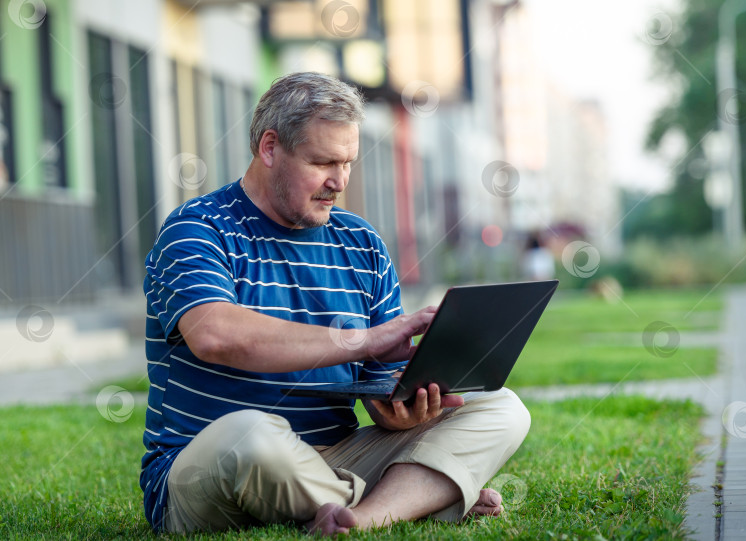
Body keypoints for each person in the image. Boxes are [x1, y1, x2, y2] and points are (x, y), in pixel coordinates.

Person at [140, 72, 530, 536]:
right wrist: (363, 340)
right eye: (323, 162)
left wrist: (399, 404)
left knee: (502, 408)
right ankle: (415, 499)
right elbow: (215, 335)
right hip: (212, 469)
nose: (338, 181)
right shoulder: (196, 228)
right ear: (269, 148)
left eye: (348, 162)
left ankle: (358, 518)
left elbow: (377, 382)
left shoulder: (361, 243)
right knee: (248, 434)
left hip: (335, 457)